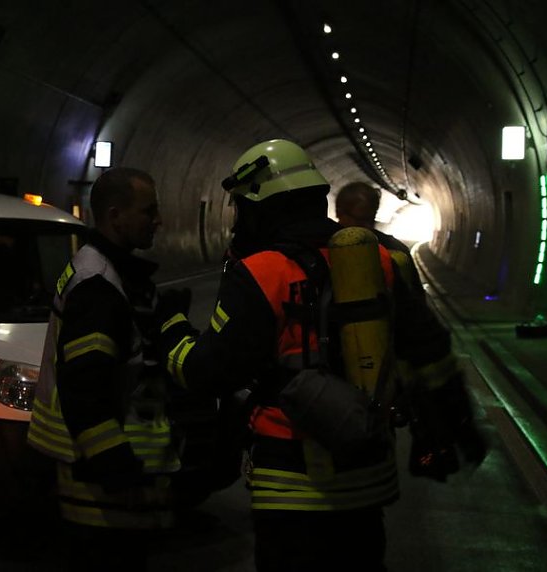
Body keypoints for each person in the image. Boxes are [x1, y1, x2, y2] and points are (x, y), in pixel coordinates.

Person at [155, 139, 485, 571]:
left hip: (290, 484)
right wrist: (456, 422)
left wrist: (172, 332)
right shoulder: (382, 259)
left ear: (259, 206)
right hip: (368, 475)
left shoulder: (261, 271)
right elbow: (429, 351)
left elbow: (209, 372)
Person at [27, 167, 180, 571]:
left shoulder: (109, 274)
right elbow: (86, 392)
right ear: (115, 216)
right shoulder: (99, 286)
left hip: (101, 488)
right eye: (149, 211)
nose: (158, 221)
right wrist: (119, 471)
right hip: (98, 496)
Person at [335, 181, 424, 298]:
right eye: (361, 220)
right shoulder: (322, 248)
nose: (367, 227)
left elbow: (413, 300)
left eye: (371, 220)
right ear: (339, 213)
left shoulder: (395, 251)